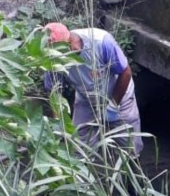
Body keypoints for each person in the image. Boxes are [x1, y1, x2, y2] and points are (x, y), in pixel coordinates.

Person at [42, 23, 143, 155]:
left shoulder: (101, 42)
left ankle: (131, 170)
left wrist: (112, 106)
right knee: (79, 147)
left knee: (129, 148)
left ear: (70, 39)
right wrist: (57, 124)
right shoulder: (53, 58)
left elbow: (126, 72)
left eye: (68, 47)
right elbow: (54, 92)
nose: (70, 50)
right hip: (86, 98)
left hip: (119, 96)